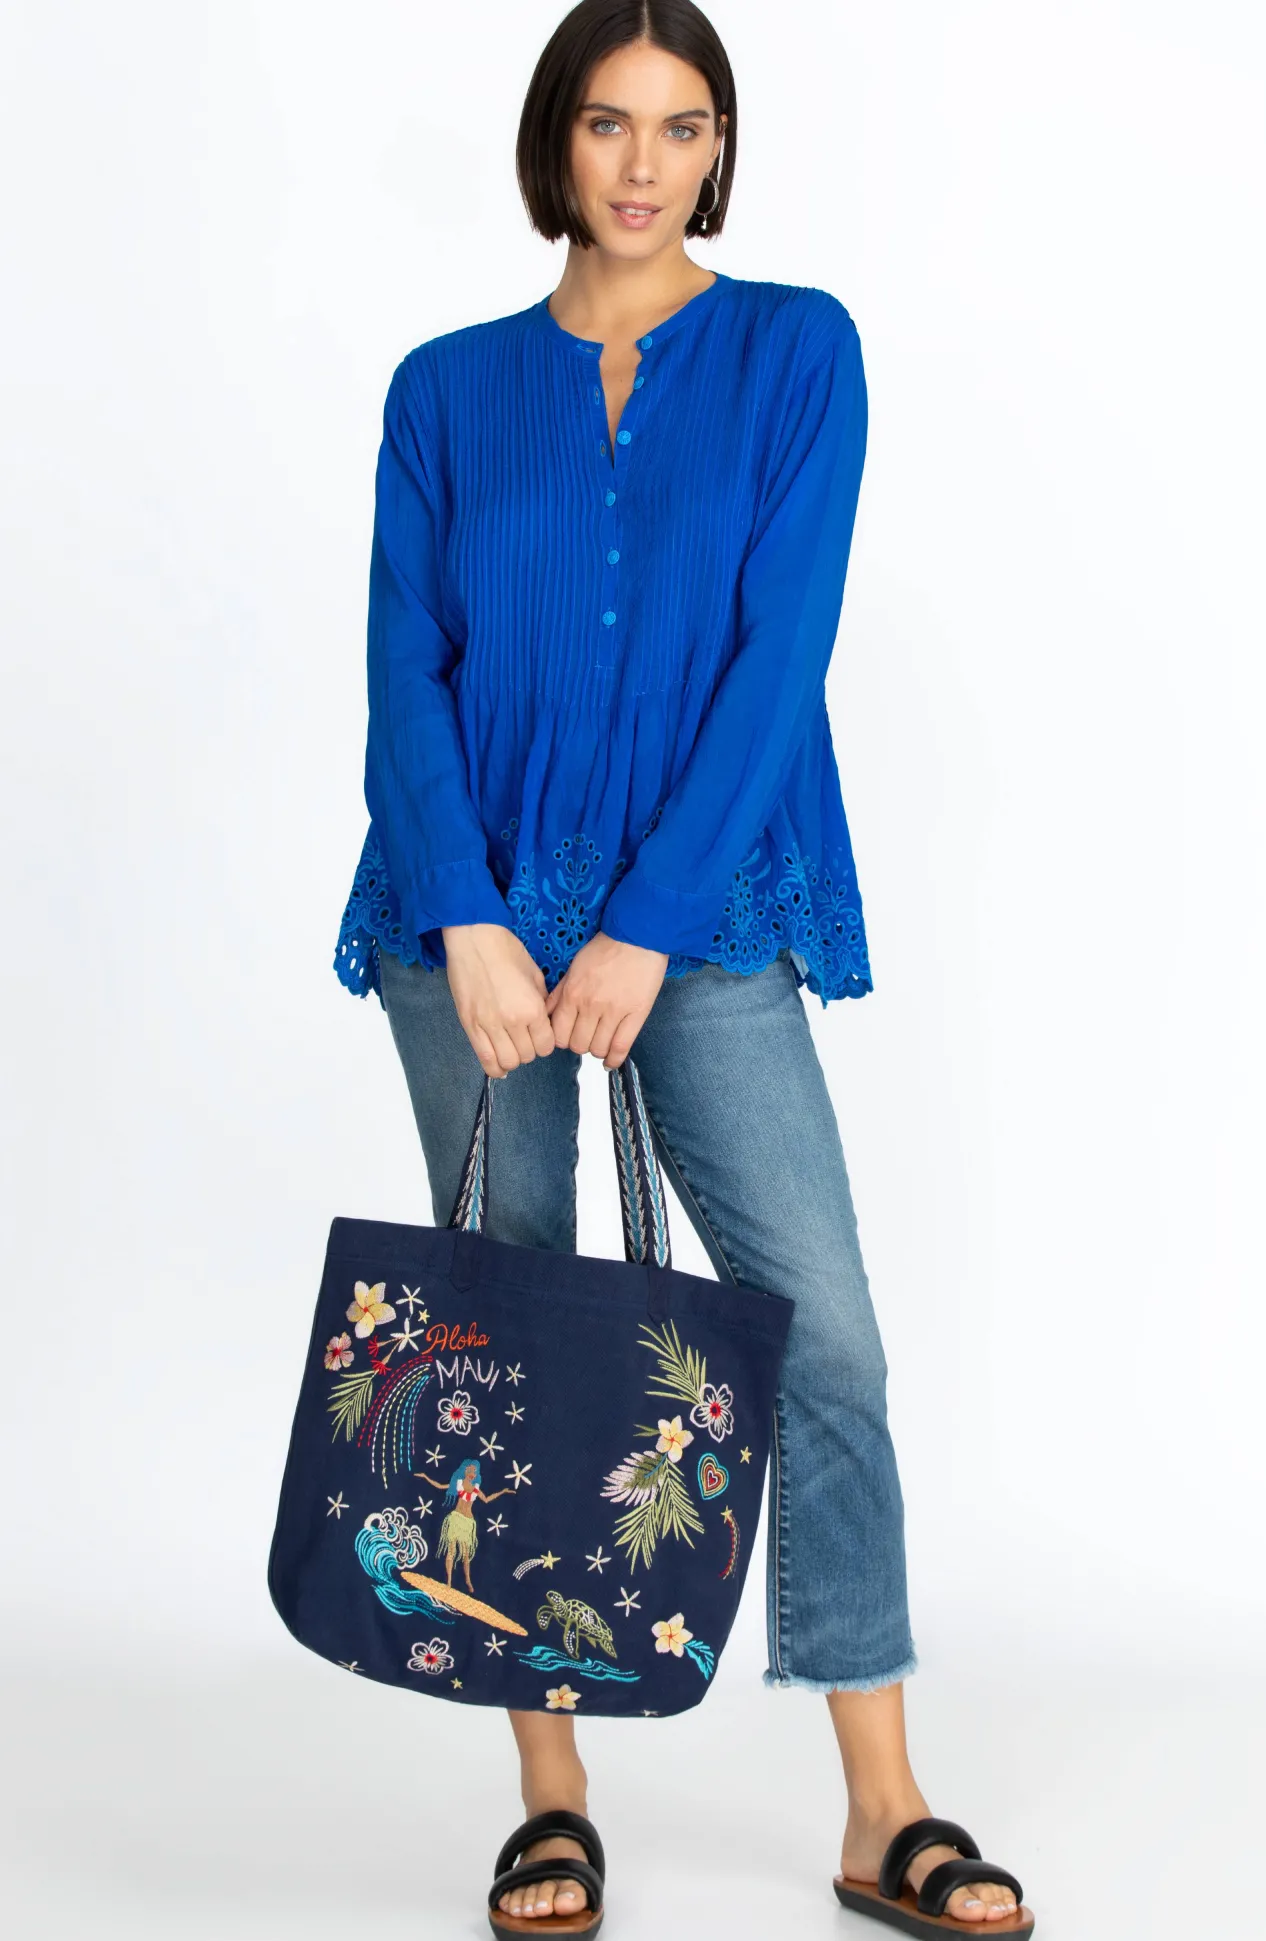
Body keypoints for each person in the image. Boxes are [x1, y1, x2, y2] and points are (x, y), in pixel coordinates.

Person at [331, 3, 1033, 1934]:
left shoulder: (799, 351)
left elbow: (779, 654)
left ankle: (882, 1808)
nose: (644, 164)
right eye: (608, 123)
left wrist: (645, 922)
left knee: (827, 1335)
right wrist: (470, 913)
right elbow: (405, 665)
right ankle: (552, 1796)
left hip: (705, 914)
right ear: (553, 140)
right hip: (470, 922)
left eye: (685, 126)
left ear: (721, 149)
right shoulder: (443, 388)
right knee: (507, 1351)